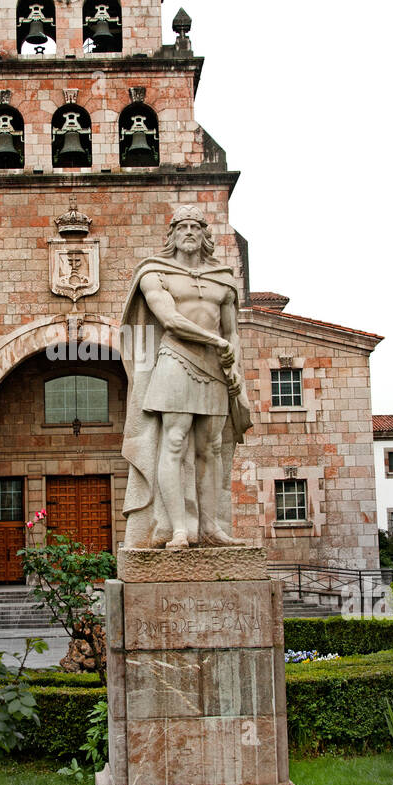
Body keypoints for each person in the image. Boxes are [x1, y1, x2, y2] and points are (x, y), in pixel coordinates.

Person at [120, 204, 252, 549]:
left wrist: (236, 369)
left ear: (205, 235)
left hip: (216, 368)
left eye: (196, 226)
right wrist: (215, 341)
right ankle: (178, 529)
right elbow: (170, 320)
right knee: (174, 443)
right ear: (173, 235)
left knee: (211, 447)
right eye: (182, 227)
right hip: (176, 360)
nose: (189, 232)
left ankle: (211, 527)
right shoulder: (155, 273)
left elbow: (233, 332)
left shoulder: (223, 279)